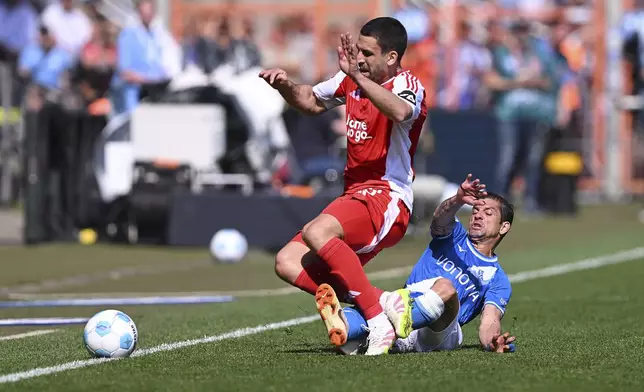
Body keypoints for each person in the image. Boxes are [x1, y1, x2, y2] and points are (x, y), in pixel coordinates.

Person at [259, 17, 427, 355]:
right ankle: (381, 301)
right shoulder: (352, 78)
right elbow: (309, 101)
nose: (359, 58)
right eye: (358, 51)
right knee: (287, 262)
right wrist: (285, 86)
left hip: (387, 197)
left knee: (317, 231)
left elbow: (398, 111)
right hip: (355, 195)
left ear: (391, 57)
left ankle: (377, 321)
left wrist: (357, 77)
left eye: (367, 52)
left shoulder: (408, 85)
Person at [314, 174, 517, 355]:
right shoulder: (454, 236)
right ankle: (351, 330)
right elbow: (440, 219)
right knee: (361, 318)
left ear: (504, 227)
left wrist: (492, 341)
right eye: (476, 210)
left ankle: (385, 326)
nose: (478, 215)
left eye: (488, 213)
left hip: (439, 333)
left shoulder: (498, 280)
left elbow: (490, 320)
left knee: (445, 287)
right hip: (405, 305)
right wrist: (457, 200)